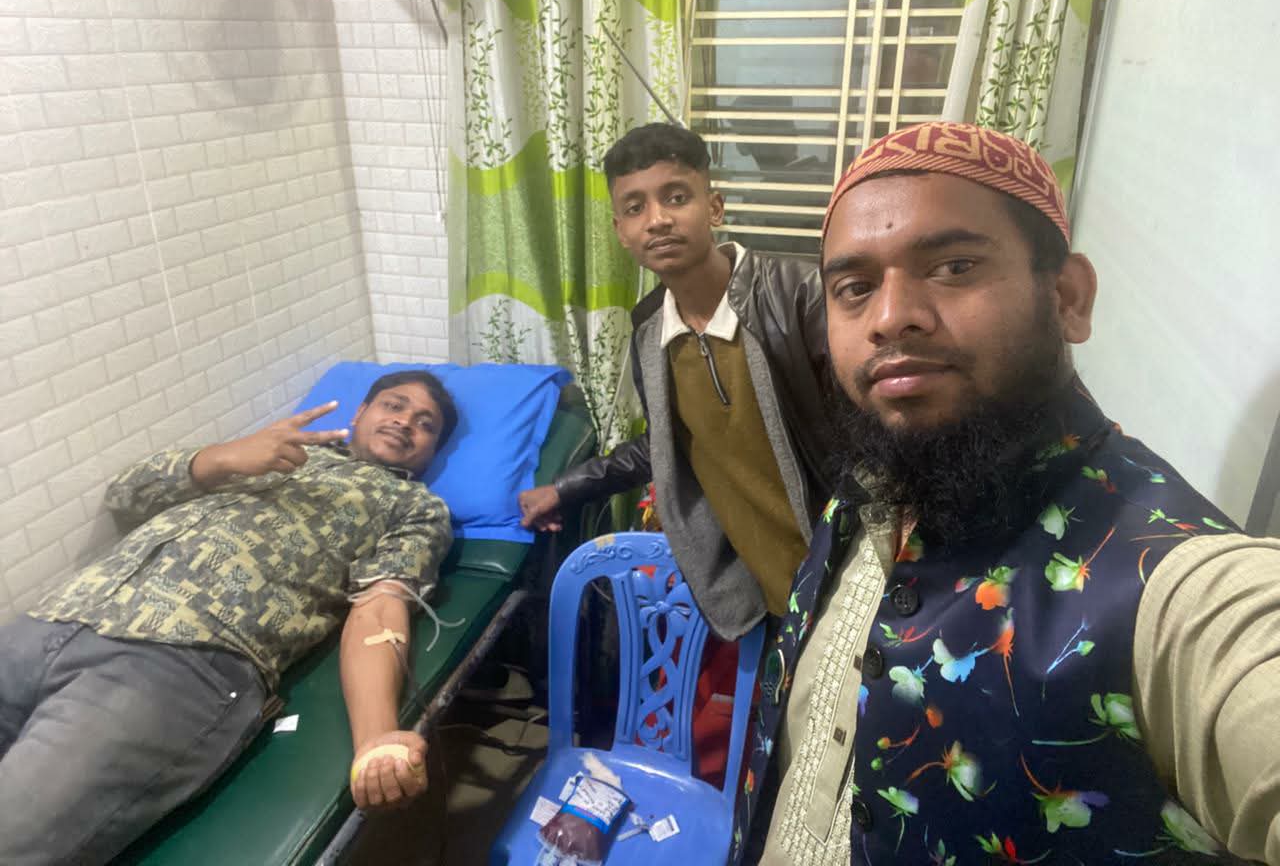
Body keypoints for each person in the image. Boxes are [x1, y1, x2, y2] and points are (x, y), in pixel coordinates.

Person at [732, 122, 1280, 865]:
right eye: (854, 289)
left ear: (1069, 297)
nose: (891, 317)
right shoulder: (872, 485)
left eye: (954, 267)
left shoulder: (1174, 590)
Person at [0, 370, 458, 866]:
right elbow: (125, 495)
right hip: (46, 622)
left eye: (426, 424)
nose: (405, 422)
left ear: (432, 452)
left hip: (174, 663)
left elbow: (379, 607)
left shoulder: (414, 507)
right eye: (394, 405)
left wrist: (376, 738)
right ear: (361, 411)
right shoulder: (269, 452)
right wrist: (220, 458)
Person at [519, 122, 832, 639]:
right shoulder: (651, 331)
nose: (658, 219)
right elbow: (666, 445)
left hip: (847, 576)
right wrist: (565, 488)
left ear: (714, 207)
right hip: (770, 594)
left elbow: (871, 442)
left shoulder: (799, 296)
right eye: (635, 207)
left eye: (677, 197)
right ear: (620, 230)